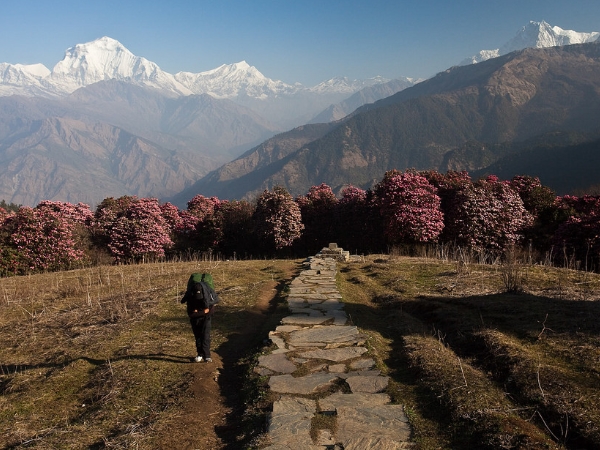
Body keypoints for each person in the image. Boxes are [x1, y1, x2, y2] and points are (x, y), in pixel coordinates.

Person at [181, 273, 220, 363]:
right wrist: (203, 312)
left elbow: (210, 310)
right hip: (198, 317)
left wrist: (199, 312)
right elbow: (191, 314)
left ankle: (207, 356)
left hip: (207, 317)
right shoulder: (190, 297)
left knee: (205, 335)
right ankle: (199, 354)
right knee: (198, 336)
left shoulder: (208, 297)